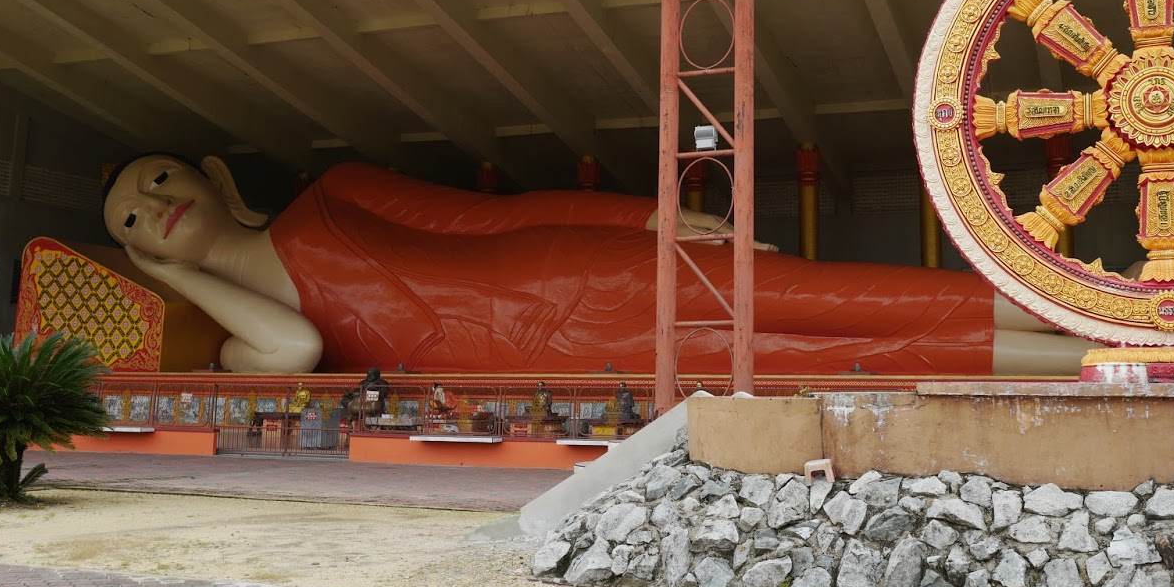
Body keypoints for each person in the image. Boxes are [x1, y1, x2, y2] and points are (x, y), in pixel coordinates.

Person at [102, 154, 1034, 376]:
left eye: (158, 177)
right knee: (826, 356)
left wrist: (658, 217)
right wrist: (174, 278)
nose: (158, 201)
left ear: (209, 174)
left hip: (568, 275)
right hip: (560, 362)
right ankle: (1127, 357)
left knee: (834, 296)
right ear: (140, 247)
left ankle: (1103, 309)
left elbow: (499, 215)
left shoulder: (333, 191)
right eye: (136, 218)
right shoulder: (239, 350)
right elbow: (301, 347)